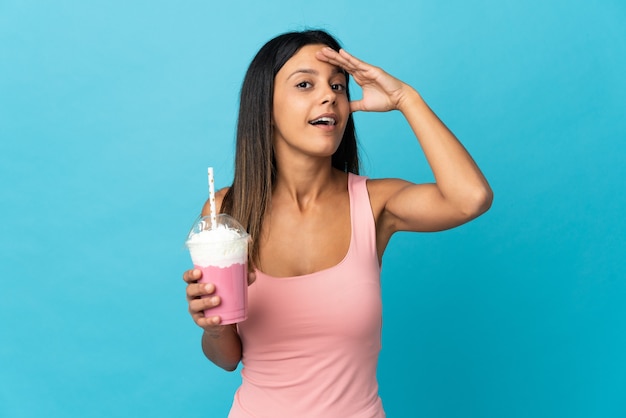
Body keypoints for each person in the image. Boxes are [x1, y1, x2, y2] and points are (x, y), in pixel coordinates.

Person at [183, 29, 493, 417]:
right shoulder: (227, 210)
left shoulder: (375, 203)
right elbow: (227, 358)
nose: (329, 95)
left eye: (338, 86)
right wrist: (212, 328)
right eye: (304, 84)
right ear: (265, 104)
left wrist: (405, 99)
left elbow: (471, 198)